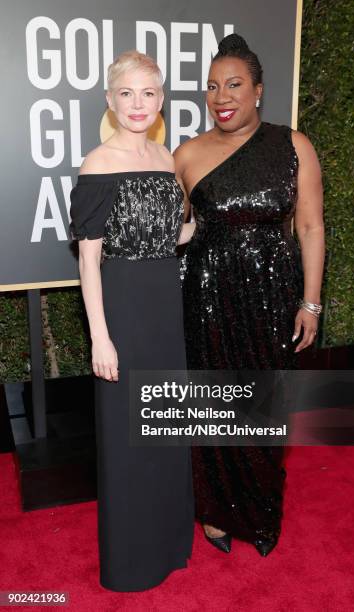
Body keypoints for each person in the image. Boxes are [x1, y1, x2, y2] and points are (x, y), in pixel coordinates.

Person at [174, 34, 325, 556]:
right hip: (206, 298)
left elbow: (309, 227)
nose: (222, 95)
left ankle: (259, 510)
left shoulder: (292, 144)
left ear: (258, 91)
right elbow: (174, 231)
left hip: (272, 296)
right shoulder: (188, 153)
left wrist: (310, 302)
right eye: (213, 87)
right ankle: (215, 512)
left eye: (234, 84)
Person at [69, 50, 195, 592]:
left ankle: (168, 544)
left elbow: (174, 235)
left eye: (148, 93)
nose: (137, 104)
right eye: (126, 93)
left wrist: (212, 221)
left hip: (166, 304)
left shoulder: (167, 158)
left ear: (161, 99)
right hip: (122, 308)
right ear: (110, 100)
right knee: (127, 435)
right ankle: (131, 562)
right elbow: (88, 259)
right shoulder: (97, 164)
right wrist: (101, 336)